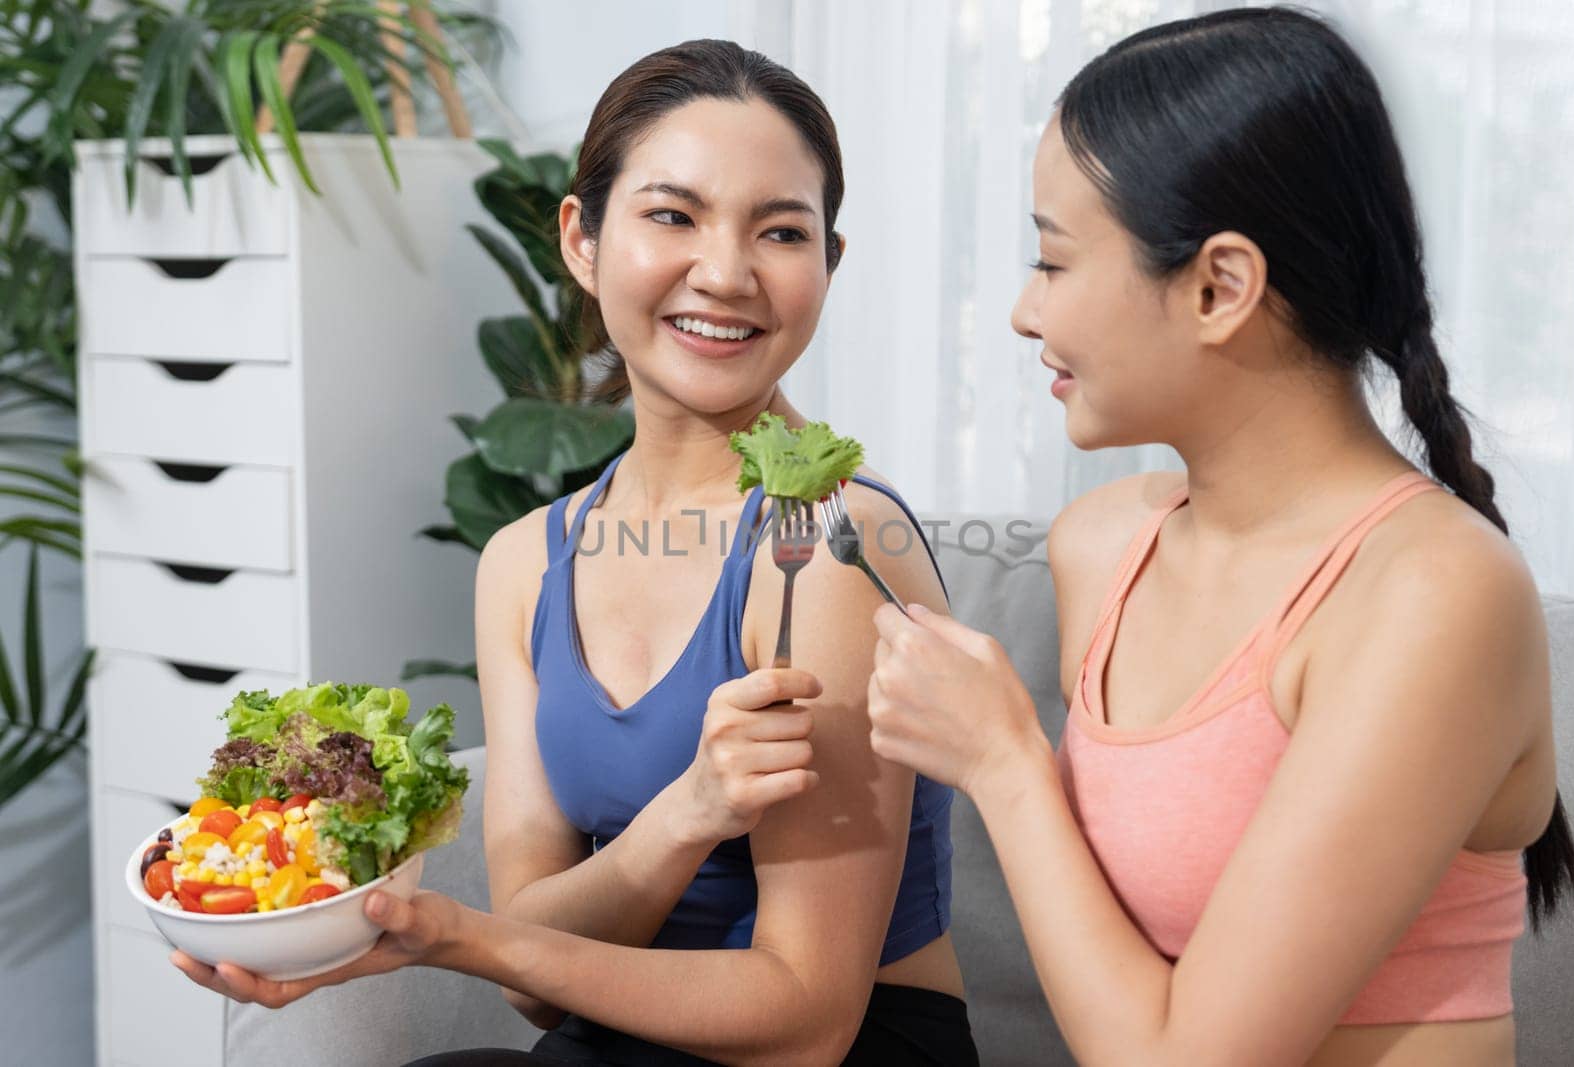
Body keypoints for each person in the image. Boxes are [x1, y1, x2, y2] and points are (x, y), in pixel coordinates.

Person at [171, 39, 977, 1067]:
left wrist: (452, 932)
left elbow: (806, 1021)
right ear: (582, 239)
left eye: (780, 231)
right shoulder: (524, 562)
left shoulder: (830, 547)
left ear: (827, 261)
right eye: (672, 215)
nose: (726, 273)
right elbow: (539, 986)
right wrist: (685, 811)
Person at [864, 8, 1574, 1066]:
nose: (1023, 312)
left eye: (1053, 262)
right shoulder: (1102, 546)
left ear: (1219, 286)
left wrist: (1004, 760)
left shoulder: (1435, 591)